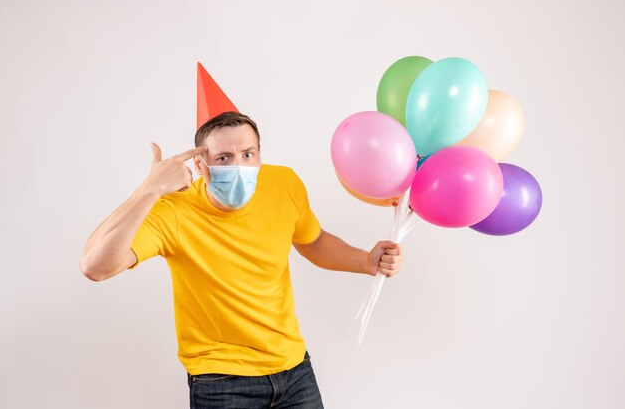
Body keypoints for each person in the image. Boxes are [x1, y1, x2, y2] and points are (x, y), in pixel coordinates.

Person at [80, 109, 404, 408]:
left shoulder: (284, 184)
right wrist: (149, 190)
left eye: (247, 154)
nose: (238, 166)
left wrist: (366, 261)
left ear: (260, 154)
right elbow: (95, 266)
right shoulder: (173, 212)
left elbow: (313, 240)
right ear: (198, 165)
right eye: (223, 157)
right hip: (221, 382)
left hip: (294, 370)